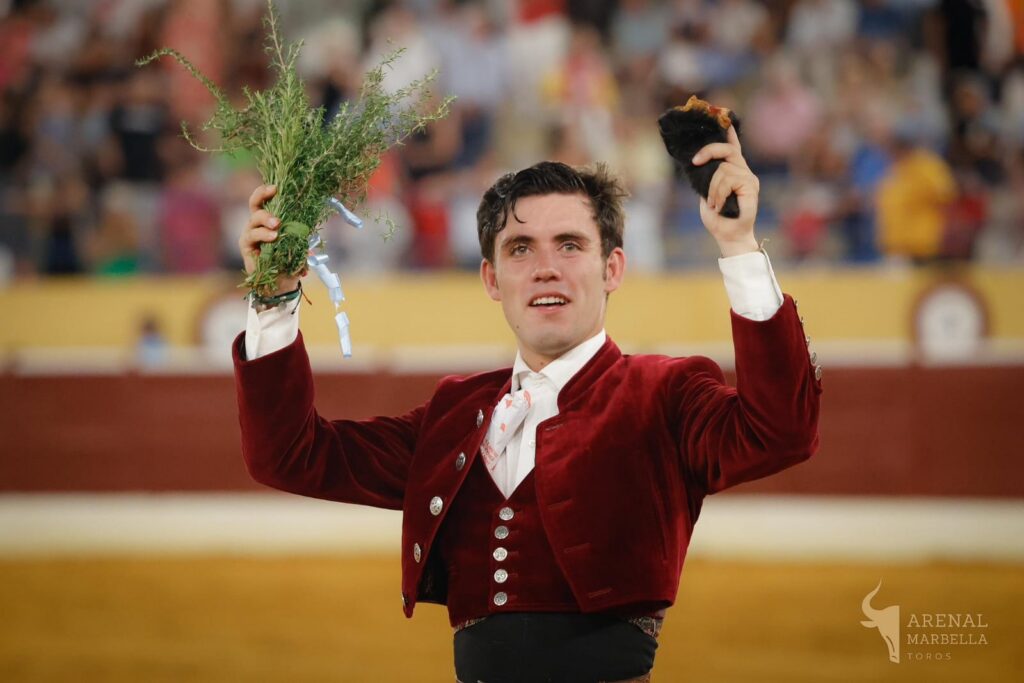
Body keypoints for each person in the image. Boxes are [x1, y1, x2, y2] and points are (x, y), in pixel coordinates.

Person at [232, 125, 821, 682]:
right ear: (491, 279)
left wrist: (739, 247)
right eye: (519, 249)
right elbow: (289, 455)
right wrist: (273, 300)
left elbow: (781, 431)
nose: (545, 269)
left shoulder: (664, 393)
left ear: (612, 267)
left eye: (570, 245)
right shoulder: (455, 414)